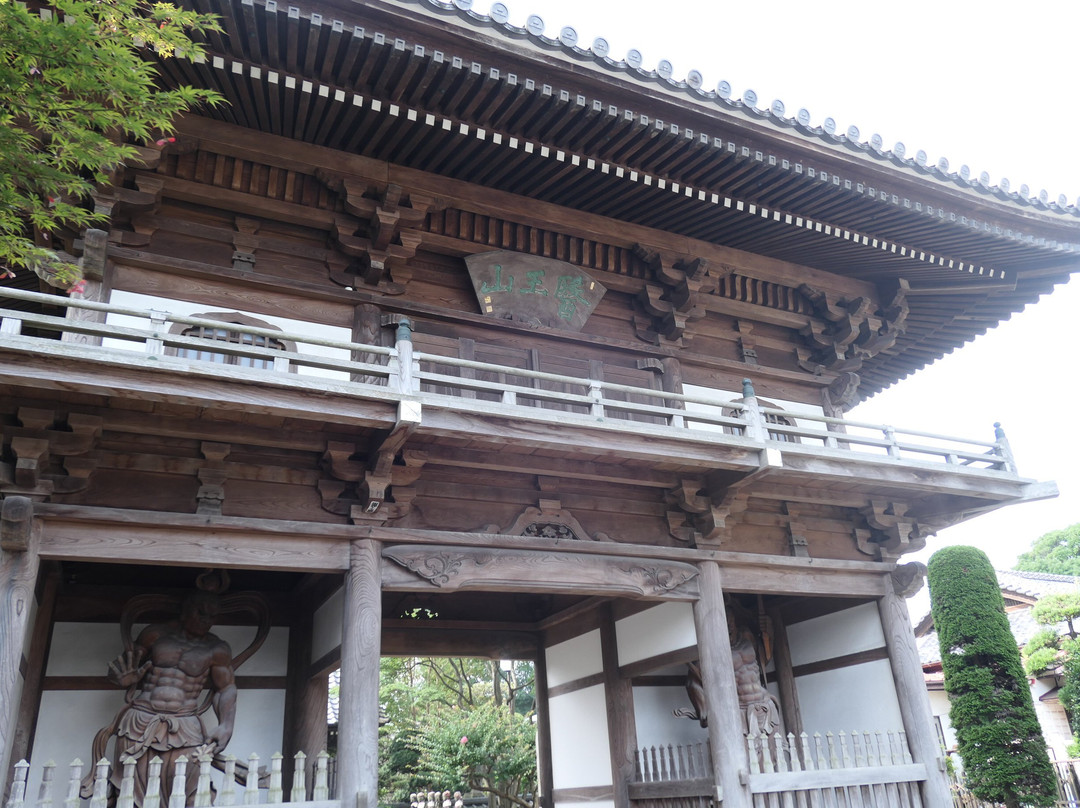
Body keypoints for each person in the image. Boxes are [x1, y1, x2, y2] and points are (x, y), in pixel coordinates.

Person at [89, 576, 237, 807]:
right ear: (185, 609)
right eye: (200, 611)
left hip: (186, 724)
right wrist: (124, 679)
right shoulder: (155, 634)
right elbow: (125, 667)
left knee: (190, 786)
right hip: (141, 719)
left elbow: (226, 687)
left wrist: (226, 725)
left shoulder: (217, 649)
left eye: (212, 615)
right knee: (131, 788)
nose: (205, 619)